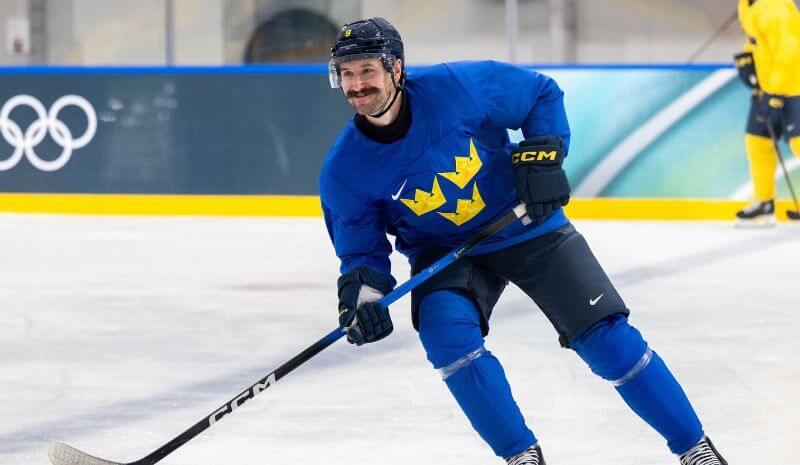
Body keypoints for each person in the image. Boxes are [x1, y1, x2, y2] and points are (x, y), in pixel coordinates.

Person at [320, 17, 727, 465]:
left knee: (608, 340)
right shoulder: (344, 170)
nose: (357, 85)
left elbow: (540, 94)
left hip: (527, 225)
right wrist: (363, 296)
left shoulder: (458, 86)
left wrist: (546, 152)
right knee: (447, 340)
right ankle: (520, 456)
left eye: (367, 71)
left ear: (396, 69)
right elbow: (362, 251)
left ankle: (694, 448)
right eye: (348, 73)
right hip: (447, 254)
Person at [734, 0, 800, 226]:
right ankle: (764, 201)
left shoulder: (775, 8)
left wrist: (776, 92)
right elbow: (757, 40)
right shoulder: (747, 5)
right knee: (757, 140)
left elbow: (790, 52)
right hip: (768, 88)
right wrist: (746, 59)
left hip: (793, 87)